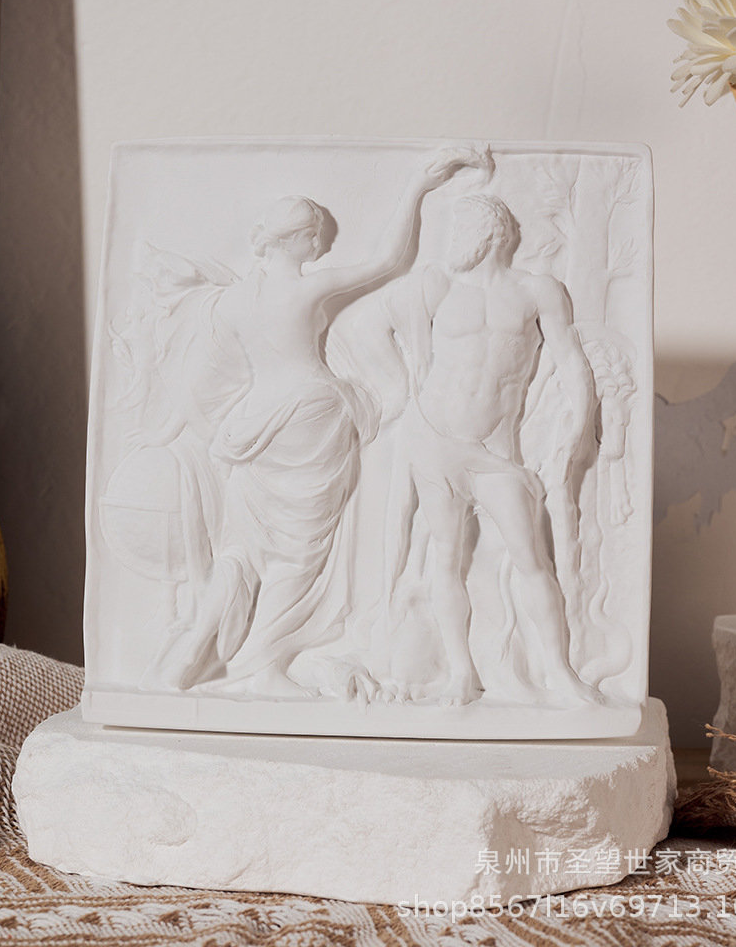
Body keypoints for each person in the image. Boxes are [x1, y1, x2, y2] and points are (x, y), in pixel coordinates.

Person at [149, 147, 490, 695]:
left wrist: (212, 433)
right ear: (292, 241)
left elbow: (198, 380)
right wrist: (416, 186)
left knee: (241, 549)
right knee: (297, 556)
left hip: (254, 424)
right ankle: (261, 668)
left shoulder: (228, 303)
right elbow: (388, 261)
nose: (321, 246)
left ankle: (187, 655)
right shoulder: (308, 288)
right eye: (313, 236)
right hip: (310, 420)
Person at [394, 194, 598, 705]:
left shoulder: (537, 291)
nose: (454, 239)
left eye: (462, 227)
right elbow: (404, 349)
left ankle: (559, 672)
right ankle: (459, 672)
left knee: (531, 557)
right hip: (434, 440)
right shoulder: (438, 287)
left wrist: (576, 432)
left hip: (495, 451)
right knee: (445, 557)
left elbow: (571, 361)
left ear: (491, 233)